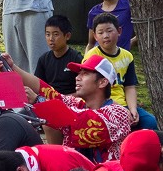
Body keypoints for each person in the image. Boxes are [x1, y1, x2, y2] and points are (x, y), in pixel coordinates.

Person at [8, 50, 137, 160]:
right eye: (78, 73)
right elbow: (47, 91)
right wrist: (12, 67)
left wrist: (38, 101)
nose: (77, 77)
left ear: (103, 82)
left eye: (85, 73)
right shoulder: (79, 104)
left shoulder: (119, 113)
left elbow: (78, 121)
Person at [89, 14, 138, 113]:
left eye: (109, 31)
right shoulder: (92, 57)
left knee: (150, 121)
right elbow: (90, 90)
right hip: (101, 103)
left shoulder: (127, 56)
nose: (105, 36)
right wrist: (120, 109)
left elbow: (129, 86)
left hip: (124, 103)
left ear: (119, 31)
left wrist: (133, 110)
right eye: (100, 32)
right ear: (95, 36)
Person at [32, 14, 79, 97]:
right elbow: (38, 85)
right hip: (49, 100)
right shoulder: (44, 59)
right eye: (48, 34)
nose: (51, 38)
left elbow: (84, 90)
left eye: (56, 34)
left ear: (67, 36)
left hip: (71, 101)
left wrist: (64, 98)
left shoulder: (76, 58)